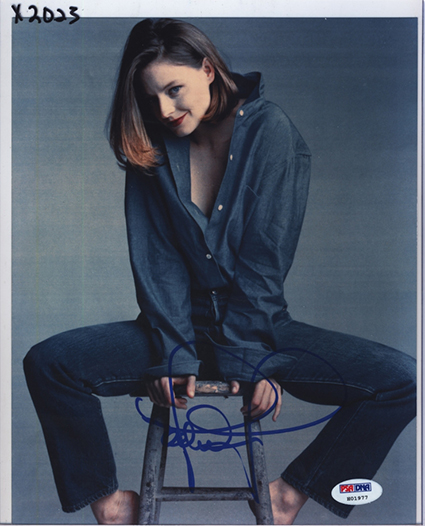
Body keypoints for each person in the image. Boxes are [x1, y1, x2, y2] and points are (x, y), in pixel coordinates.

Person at [23, 18, 416, 525]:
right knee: (49, 363)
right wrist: (173, 352)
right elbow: (157, 262)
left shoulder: (271, 132)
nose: (164, 110)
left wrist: (251, 362)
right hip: (173, 327)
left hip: (260, 328)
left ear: (208, 70)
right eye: (150, 98)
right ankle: (113, 508)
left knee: (403, 379)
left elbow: (263, 264)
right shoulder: (151, 146)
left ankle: (288, 496)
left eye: (174, 89)